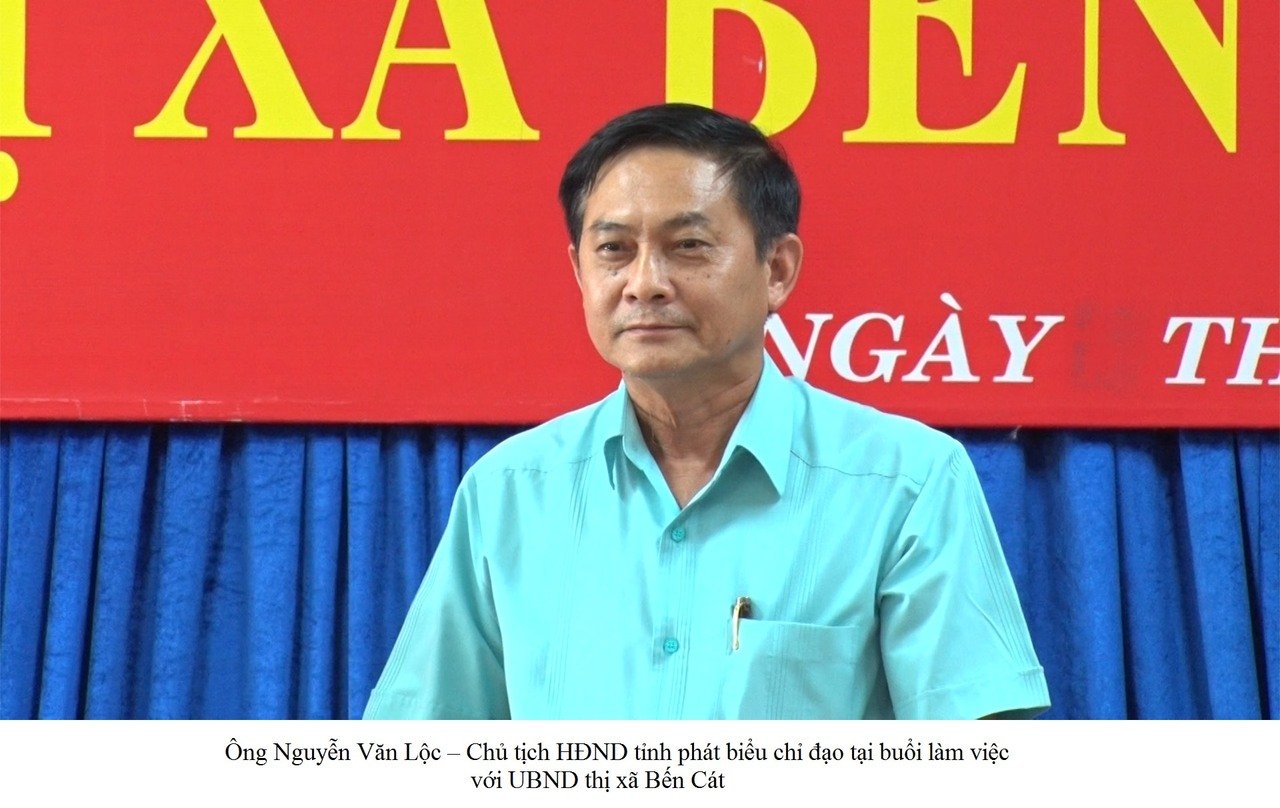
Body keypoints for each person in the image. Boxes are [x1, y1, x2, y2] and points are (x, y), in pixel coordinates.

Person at [364, 103, 1050, 719]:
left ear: (777, 270)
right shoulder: (508, 494)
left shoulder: (907, 483)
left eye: (687, 246)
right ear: (579, 271)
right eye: (614, 251)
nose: (644, 284)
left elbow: (981, 766)